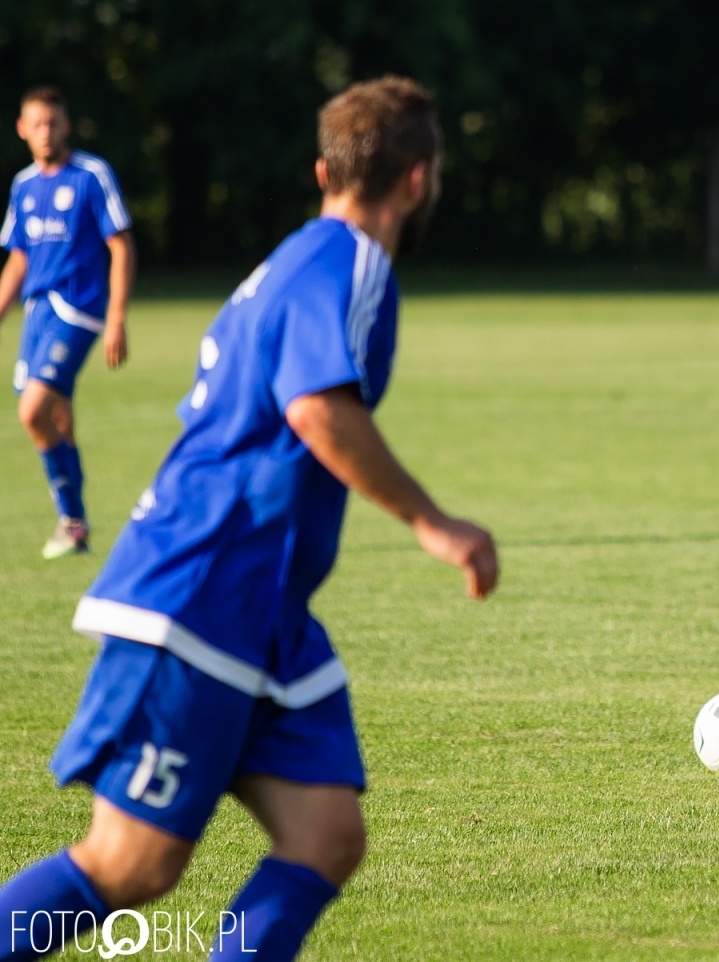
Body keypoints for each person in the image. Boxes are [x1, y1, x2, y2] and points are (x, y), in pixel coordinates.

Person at [0, 76, 499, 962]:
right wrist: (433, 522)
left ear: (322, 169)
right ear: (419, 179)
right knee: (129, 866)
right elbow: (317, 410)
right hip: (200, 587)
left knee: (327, 835)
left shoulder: (304, 255)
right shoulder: (347, 261)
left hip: (264, 609)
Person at [0, 87, 136, 559]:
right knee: (55, 416)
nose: (45, 132)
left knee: (32, 411)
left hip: (78, 309)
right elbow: (19, 256)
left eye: (53, 122)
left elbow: (120, 245)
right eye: (36, 123)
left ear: (67, 125)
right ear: (22, 129)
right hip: (38, 313)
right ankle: (75, 524)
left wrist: (117, 317)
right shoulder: (22, 185)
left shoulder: (91, 175)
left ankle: (71, 517)